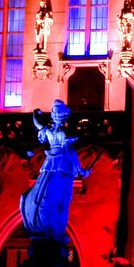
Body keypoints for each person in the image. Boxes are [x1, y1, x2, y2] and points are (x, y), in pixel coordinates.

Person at [19, 100, 90, 241]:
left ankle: (50, 220)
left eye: (59, 113)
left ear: (64, 116)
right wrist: (35, 113)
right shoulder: (51, 131)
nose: (57, 115)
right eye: (55, 112)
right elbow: (38, 125)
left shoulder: (63, 133)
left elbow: (70, 152)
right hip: (52, 163)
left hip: (61, 164)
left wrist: (81, 170)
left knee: (55, 193)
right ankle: (43, 218)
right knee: (45, 191)